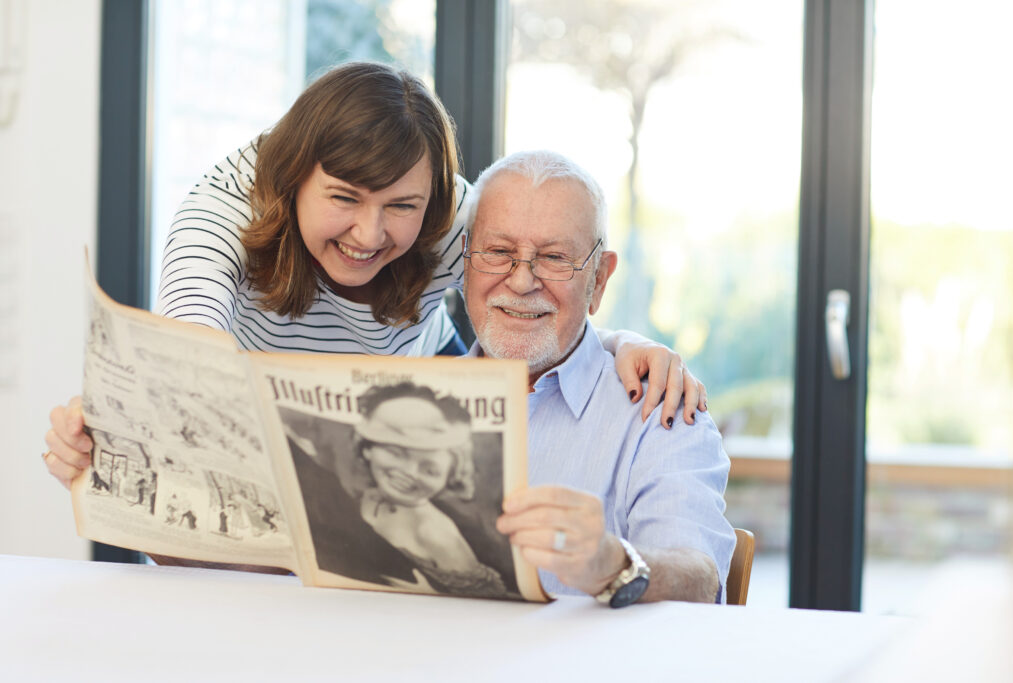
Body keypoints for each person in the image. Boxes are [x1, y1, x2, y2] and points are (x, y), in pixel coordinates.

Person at [43, 61, 706, 491]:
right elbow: (184, 356)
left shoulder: (449, 217)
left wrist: (624, 346)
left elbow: (537, 277)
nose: (370, 234)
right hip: (260, 454)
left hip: (388, 452)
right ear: (295, 176)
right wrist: (106, 434)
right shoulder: (221, 217)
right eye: (345, 198)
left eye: (400, 207)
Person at [461, 150, 736, 605]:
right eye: (499, 252)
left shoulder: (660, 409)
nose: (522, 280)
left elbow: (701, 581)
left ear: (599, 280)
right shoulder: (405, 394)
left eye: (553, 258)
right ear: (467, 259)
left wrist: (615, 563)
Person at [287, 383, 513, 598]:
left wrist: (429, 593)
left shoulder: (433, 533)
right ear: (367, 451)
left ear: (450, 476)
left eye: (430, 469)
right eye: (395, 453)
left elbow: (487, 595)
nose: (408, 472)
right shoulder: (370, 494)